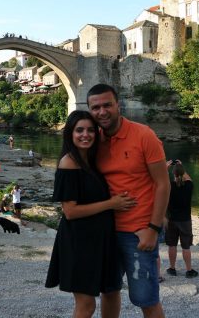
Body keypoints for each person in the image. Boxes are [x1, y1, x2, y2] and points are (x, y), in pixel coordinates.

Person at [87, 83, 170, 318]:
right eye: (96, 107)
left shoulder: (144, 135)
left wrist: (153, 228)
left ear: (118, 105)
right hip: (105, 231)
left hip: (139, 232)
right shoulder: (93, 140)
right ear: (89, 109)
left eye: (107, 105)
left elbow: (163, 184)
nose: (102, 112)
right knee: (109, 291)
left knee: (147, 298)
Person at [45, 110, 136, 318]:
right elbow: (70, 211)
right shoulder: (69, 163)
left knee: (111, 292)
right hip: (80, 242)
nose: (85, 135)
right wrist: (111, 204)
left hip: (101, 240)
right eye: (79, 130)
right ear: (70, 134)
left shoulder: (91, 161)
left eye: (90, 130)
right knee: (86, 306)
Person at [165, 159, 197, 278]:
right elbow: (188, 178)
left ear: (173, 174)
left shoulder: (169, 186)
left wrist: (165, 167)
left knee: (172, 245)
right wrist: (180, 166)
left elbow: (160, 180)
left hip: (171, 220)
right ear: (183, 173)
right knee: (186, 246)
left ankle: (172, 268)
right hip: (185, 221)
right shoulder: (189, 185)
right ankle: (189, 270)